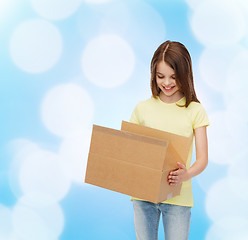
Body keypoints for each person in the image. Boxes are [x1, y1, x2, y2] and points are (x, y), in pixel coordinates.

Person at [129, 40, 209, 240]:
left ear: (185, 75)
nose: (166, 83)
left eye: (174, 77)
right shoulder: (142, 109)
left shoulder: (195, 110)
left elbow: (203, 159)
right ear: (153, 75)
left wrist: (186, 174)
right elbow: (129, 149)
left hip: (178, 197)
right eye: (160, 76)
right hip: (143, 194)